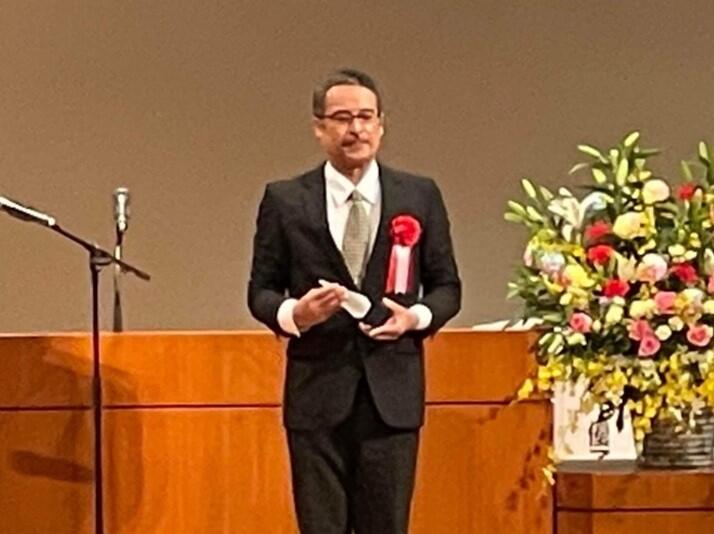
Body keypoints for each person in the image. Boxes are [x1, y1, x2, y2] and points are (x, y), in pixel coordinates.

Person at [248, 68, 461, 534]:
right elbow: (260, 291)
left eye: (366, 117)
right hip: (316, 393)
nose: (356, 129)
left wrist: (414, 318)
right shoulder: (286, 200)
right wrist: (296, 314)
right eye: (342, 118)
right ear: (320, 128)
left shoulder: (419, 195)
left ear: (381, 125)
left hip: (392, 395)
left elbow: (447, 288)